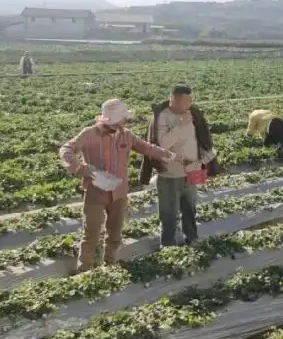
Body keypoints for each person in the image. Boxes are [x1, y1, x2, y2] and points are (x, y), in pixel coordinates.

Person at [60, 99, 173, 272]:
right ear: (114, 119)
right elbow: (66, 149)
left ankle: (110, 265)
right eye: (123, 118)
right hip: (95, 191)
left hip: (119, 192)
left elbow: (146, 147)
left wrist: (169, 155)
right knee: (91, 233)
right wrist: (79, 167)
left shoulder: (126, 135)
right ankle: (84, 269)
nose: (125, 121)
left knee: (115, 232)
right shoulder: (89, 134)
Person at [140, 85, 219, 248]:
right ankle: (168, 245)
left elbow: (201, 137)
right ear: (174, 100)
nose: (189, 104)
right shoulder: (161, 117)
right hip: (170, 173)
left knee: (190, 208)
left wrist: (205, 157)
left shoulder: (193, 113)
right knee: (169, 212)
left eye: (190, 100)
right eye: (186, 101)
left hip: (193, 169)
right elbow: (161, 145)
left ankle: (192, 239)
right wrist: (180, 126)